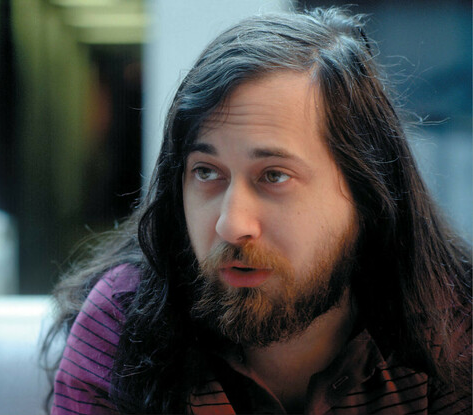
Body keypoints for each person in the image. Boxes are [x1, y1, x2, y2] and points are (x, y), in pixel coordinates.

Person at [44, 6, 472, 415]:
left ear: (366, 195)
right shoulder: (122, 324)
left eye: (274, 176)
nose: (231, 224)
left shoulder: (450, 326)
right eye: (207, 172)